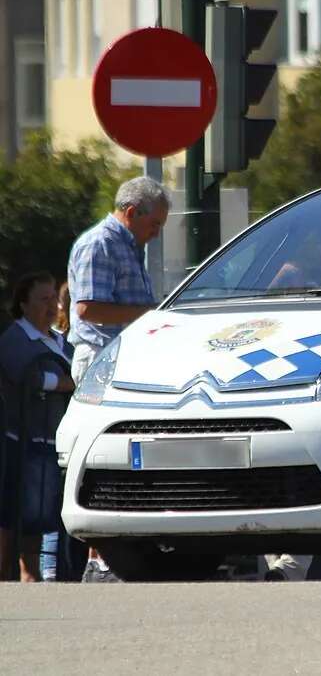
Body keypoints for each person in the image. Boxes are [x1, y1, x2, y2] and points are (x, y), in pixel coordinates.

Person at [67, 176, 169, 582]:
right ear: (131, 213)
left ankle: (114, 554)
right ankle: (100, 559)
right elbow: (88, 308)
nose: (156, 233)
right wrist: (147, 314)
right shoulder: (100, 244)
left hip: (122, 362)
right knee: (105, 456)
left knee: (125, 457)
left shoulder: (127, 245)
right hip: (100, 364)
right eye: (154, 224)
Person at [0, 272, 75, 581]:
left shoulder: (59, 340)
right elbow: (25, 377)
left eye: (54, 299)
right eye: (44, 299)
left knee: (39, 519)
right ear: (23, 303)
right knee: (15, 519)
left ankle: (31, 578)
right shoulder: (15, 337)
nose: (53, 306)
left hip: (54, 443)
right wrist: (64, 382)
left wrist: (60, 383)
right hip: (24, 443)